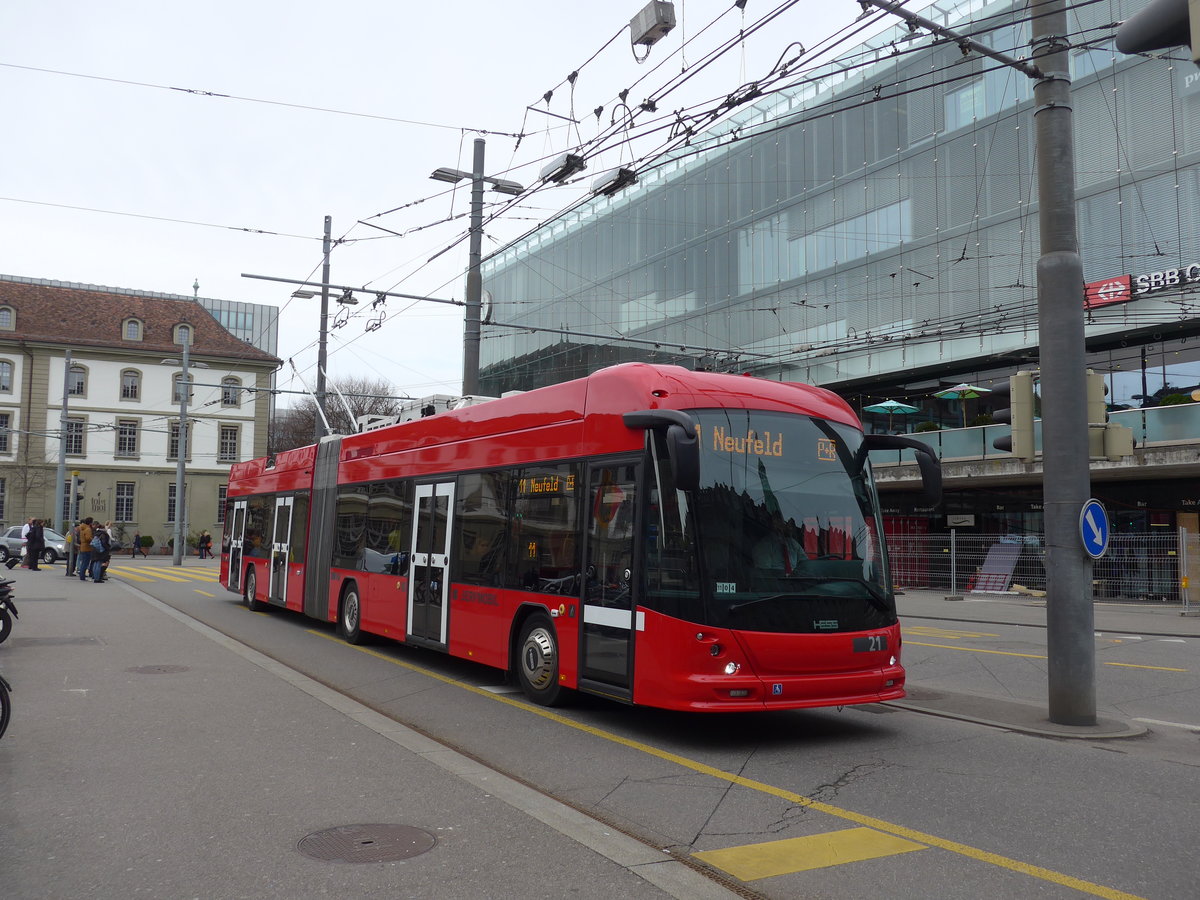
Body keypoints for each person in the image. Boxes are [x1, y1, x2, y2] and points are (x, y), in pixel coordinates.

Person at [753, 509, 805, 574]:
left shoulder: (793, 544)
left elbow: (806, 565)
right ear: (773, 523)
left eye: (789, 524)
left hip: (798, 582)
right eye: (784, 522)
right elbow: (766, 576)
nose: (789, 527)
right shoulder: (764, 546)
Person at [77, 517, 95, 582]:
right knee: (85, 563)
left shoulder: (82, 528)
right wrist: (93, 540)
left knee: (83, 562)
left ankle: (82, 576)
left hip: (83, 546)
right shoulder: (88, 529)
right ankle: (82, 576)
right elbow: (88, 538)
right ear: (90, 522)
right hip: (87, 547)